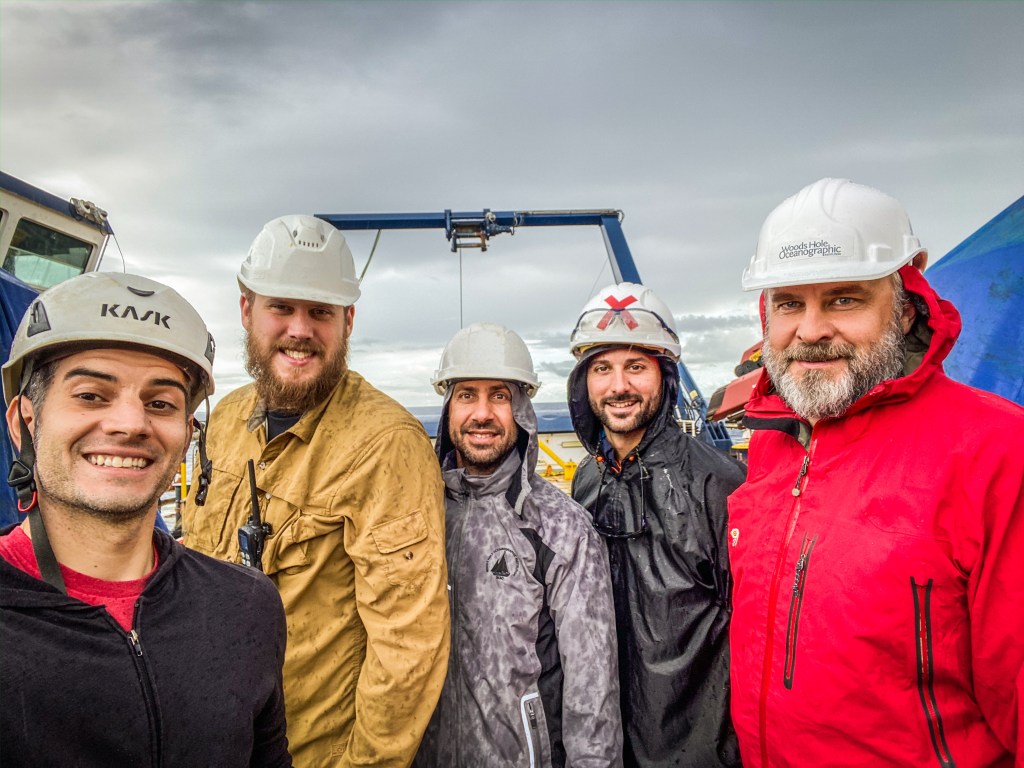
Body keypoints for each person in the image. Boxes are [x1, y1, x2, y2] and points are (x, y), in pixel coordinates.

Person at [729, 177, 1024, 767]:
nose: (810, 331)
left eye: (844, 298)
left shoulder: (997, 452)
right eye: (790, 303)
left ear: (907, 295)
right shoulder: (772, 445)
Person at [182, 214, 449, 767]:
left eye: (320, 312)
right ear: (246, 310)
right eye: (281, 306)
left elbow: (408, 648)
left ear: (348, 320)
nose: (300, 329)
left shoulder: (385, 443)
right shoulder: (226, 420)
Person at [0, 272, 290, 767]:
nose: (131, 424)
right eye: (91, 395)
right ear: (25, 420)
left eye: (160, 403)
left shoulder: (246, 606)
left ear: (186, 433)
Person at [415, 322, 622, 768]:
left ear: (522, 410)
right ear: (449, 407)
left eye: (500, 396)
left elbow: (593, 690)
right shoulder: (415, 513)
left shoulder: (561, 527)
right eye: (467, 394)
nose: (482, 413)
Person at [566, 284, 746, 768]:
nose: (618, 386)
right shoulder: (587, 479)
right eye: (602, 369)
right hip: (606, 744)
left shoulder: (721, 484)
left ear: (664, 377)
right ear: (583, 382)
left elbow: (752, 633)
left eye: (635, 367)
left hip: (699, 747)